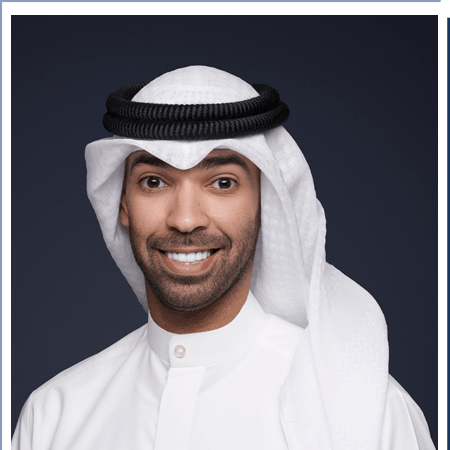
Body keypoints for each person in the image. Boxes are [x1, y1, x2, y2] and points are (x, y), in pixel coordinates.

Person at [12, 66, 435, 450]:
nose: (185, 219)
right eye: (155, 181)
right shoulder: (55, 416)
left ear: (265, 203)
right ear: (122, 204)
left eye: (223, 182)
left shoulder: (367, 414)